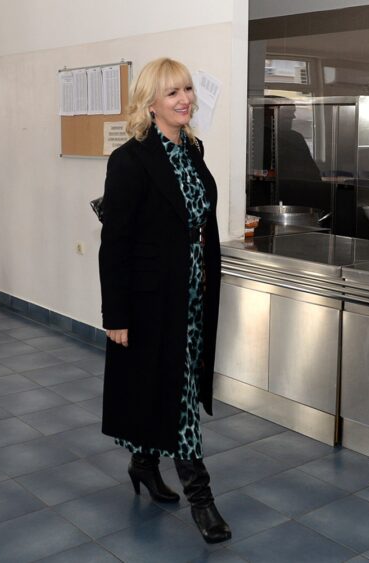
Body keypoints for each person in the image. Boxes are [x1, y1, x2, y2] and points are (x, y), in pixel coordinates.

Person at [98, 57, 230, 544]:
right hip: (152, 299)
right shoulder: (130, 160)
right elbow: (115, 244)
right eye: (173, 92)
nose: (185, 99)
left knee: (171, 383)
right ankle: (201, 497)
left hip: (193, 293)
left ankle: (143, 462)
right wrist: (116, 314)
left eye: (188, 89)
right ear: (150, 102)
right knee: (178, 393)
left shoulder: (193, 149)